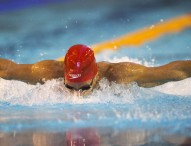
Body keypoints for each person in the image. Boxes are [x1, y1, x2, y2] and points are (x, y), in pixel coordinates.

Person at [0, 44, 191, 95]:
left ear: (96, 75)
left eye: (84, 88)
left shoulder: (121, 75)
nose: (77, 95)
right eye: (70, 87)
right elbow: (7, 70)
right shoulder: (47, 73)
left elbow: (176, 72)